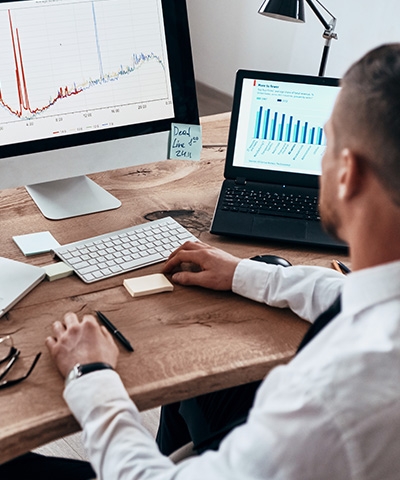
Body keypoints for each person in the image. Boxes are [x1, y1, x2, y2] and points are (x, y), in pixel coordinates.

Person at [46, 43, 400, 479]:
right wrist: (244, 273)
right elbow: (349, 295)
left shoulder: (331, 400)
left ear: (349, 174)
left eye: (325, 142)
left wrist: (92, 373)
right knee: (192, 392)